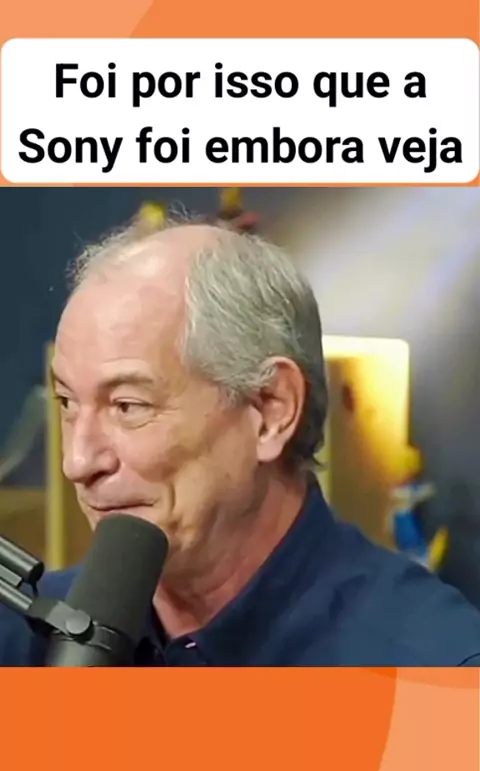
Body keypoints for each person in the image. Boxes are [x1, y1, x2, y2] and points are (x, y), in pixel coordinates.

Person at [1, 218, 480, 666]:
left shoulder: (436, 670)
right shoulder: (25, 642)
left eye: (128, 406)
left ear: (270, 409)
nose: (78, 461)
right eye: (67, 402)